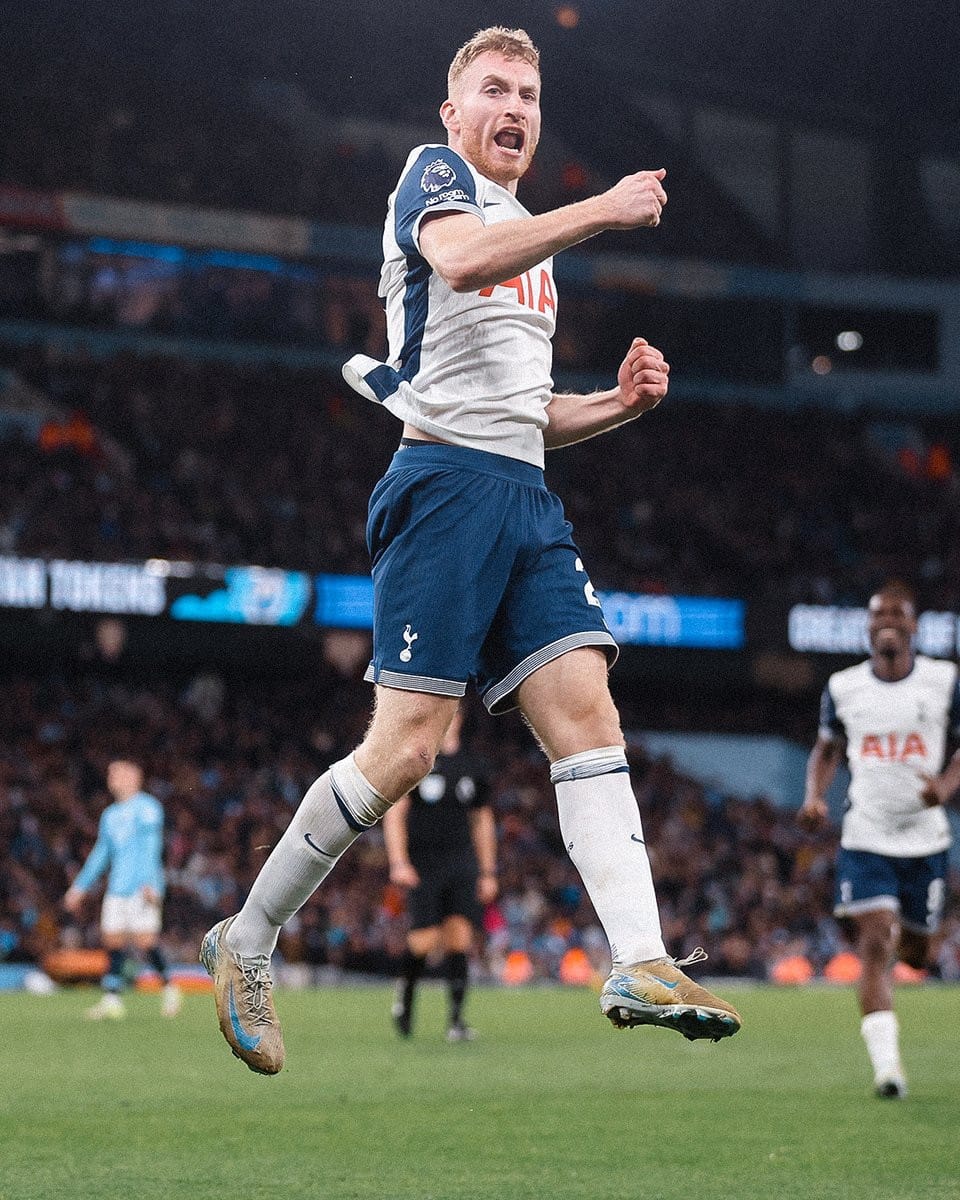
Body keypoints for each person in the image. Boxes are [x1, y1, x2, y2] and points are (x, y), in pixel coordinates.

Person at [200, 24, 740, 1075]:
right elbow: (454, 257)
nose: (515, 108)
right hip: (442, 486)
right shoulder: (434, 177)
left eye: (530, 96)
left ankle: (639, 957)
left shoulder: (531, 232)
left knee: (587, 710)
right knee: (406, 749)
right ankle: (247, 939)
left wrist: (619, 406)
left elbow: (528, 411)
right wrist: (605, 207)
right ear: (453, 112)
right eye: (494, 89)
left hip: (523, 494)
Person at [799, 583, 960, 1098]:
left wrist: (946, 785)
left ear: (915, 625)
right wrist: (814, 797)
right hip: (866, 833)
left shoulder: (944, 680)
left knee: (914, 950)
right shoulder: (844, 686)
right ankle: (888, 1070)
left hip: (926, 840)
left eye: (897, 612)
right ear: (867, 627)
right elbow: (827, 750)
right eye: (877, 614)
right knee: (874, 943)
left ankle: (916, 941)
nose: (886, 620)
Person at [383, 707, 497, 1041]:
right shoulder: (418, 760)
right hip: (423, 863)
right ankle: (405, 998)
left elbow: (482, 821)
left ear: (459, 718)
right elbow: (395, 813)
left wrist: (488, 871)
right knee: (424, 940)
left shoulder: (474, 765)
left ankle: (456, 1021)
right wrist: (399, 862)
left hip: (461, 861)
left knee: (460, 937)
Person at [64, 759, 181, 1020]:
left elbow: (153, 848)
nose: (111, 778)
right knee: (112, 940)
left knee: (145, 941)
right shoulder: (110, 815)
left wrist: (152, 883)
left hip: (142, 887)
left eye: (116, 773)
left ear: (133, 778)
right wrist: (79, 887)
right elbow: (101, 853)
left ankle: (170, 988)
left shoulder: (148, 808)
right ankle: (112, 999)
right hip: (117, 887)